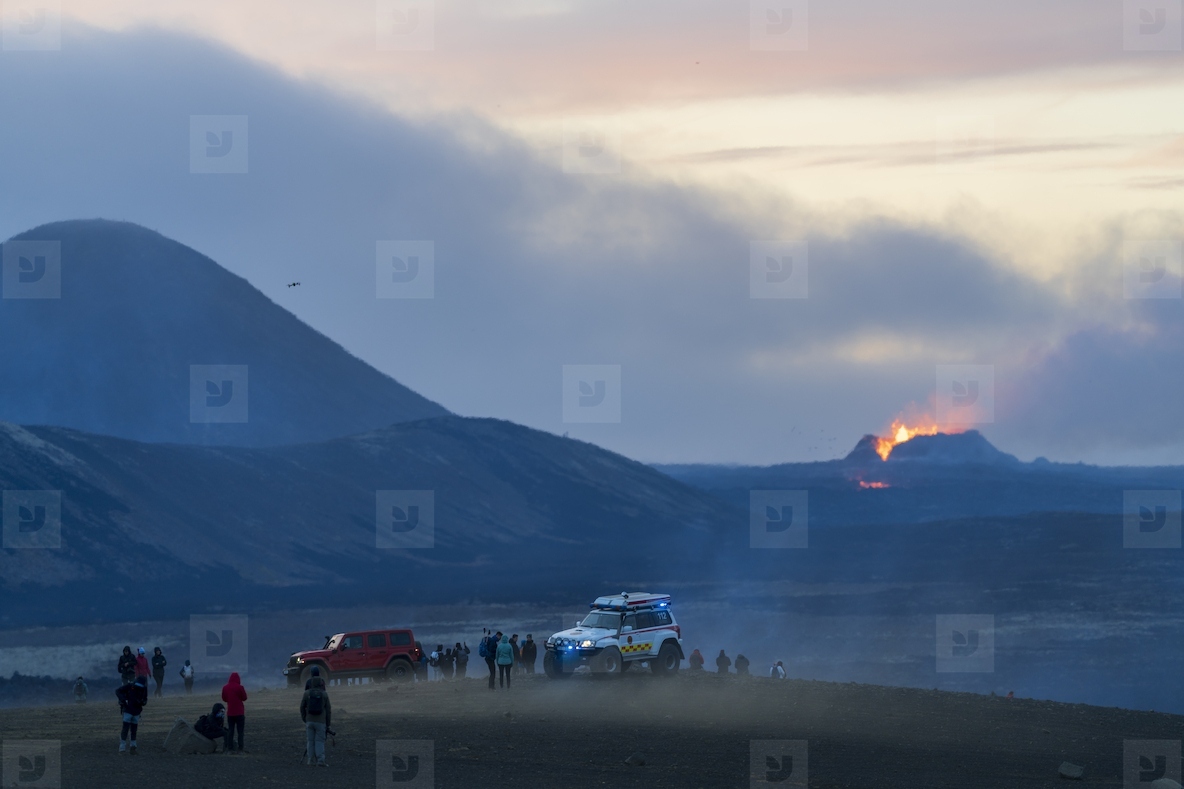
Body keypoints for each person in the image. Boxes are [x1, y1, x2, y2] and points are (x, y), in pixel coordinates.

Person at [300, 671, 332, 767]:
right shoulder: (324, 694)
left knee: (310, 741)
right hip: (321, 721)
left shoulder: (306, 693)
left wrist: (305, 719)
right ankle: (320, 760)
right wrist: (328, 724)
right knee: (319, 741)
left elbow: (302, 707)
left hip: (309, 721)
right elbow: (328, 710)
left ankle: (310, 760)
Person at [116, 676, 148, 755]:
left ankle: (128, 747)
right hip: (130, 710)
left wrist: (143, 702)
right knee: (128, 729)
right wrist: (123, 700)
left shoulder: (134, 687)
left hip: (134, 711)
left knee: (131, 729)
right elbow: (118, 691)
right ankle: (125, 747)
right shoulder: (137, 687)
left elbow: (145, 699)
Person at [221, 672, 248, 754]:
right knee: (240, 732)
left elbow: (224, 698)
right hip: (239, 712)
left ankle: (230, 748)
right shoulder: (240, 687)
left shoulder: (225, 688)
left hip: (230, 713)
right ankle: (240, 749)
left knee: (230, 731)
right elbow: (244, 698)